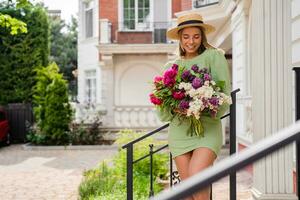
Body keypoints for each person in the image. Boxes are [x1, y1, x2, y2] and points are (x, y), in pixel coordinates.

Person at [156, 13, 231, 200]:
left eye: (196, 36)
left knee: (197, 177)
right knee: (188, 193)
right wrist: (176, 108)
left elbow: (224, 96)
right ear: (180, 38)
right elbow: (163, 111)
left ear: (202, 37)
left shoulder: (215, 56)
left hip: (207, 130)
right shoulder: (172, 66)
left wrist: (201, 107)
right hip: (180, 133)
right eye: (186, 37)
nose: (191, 41)